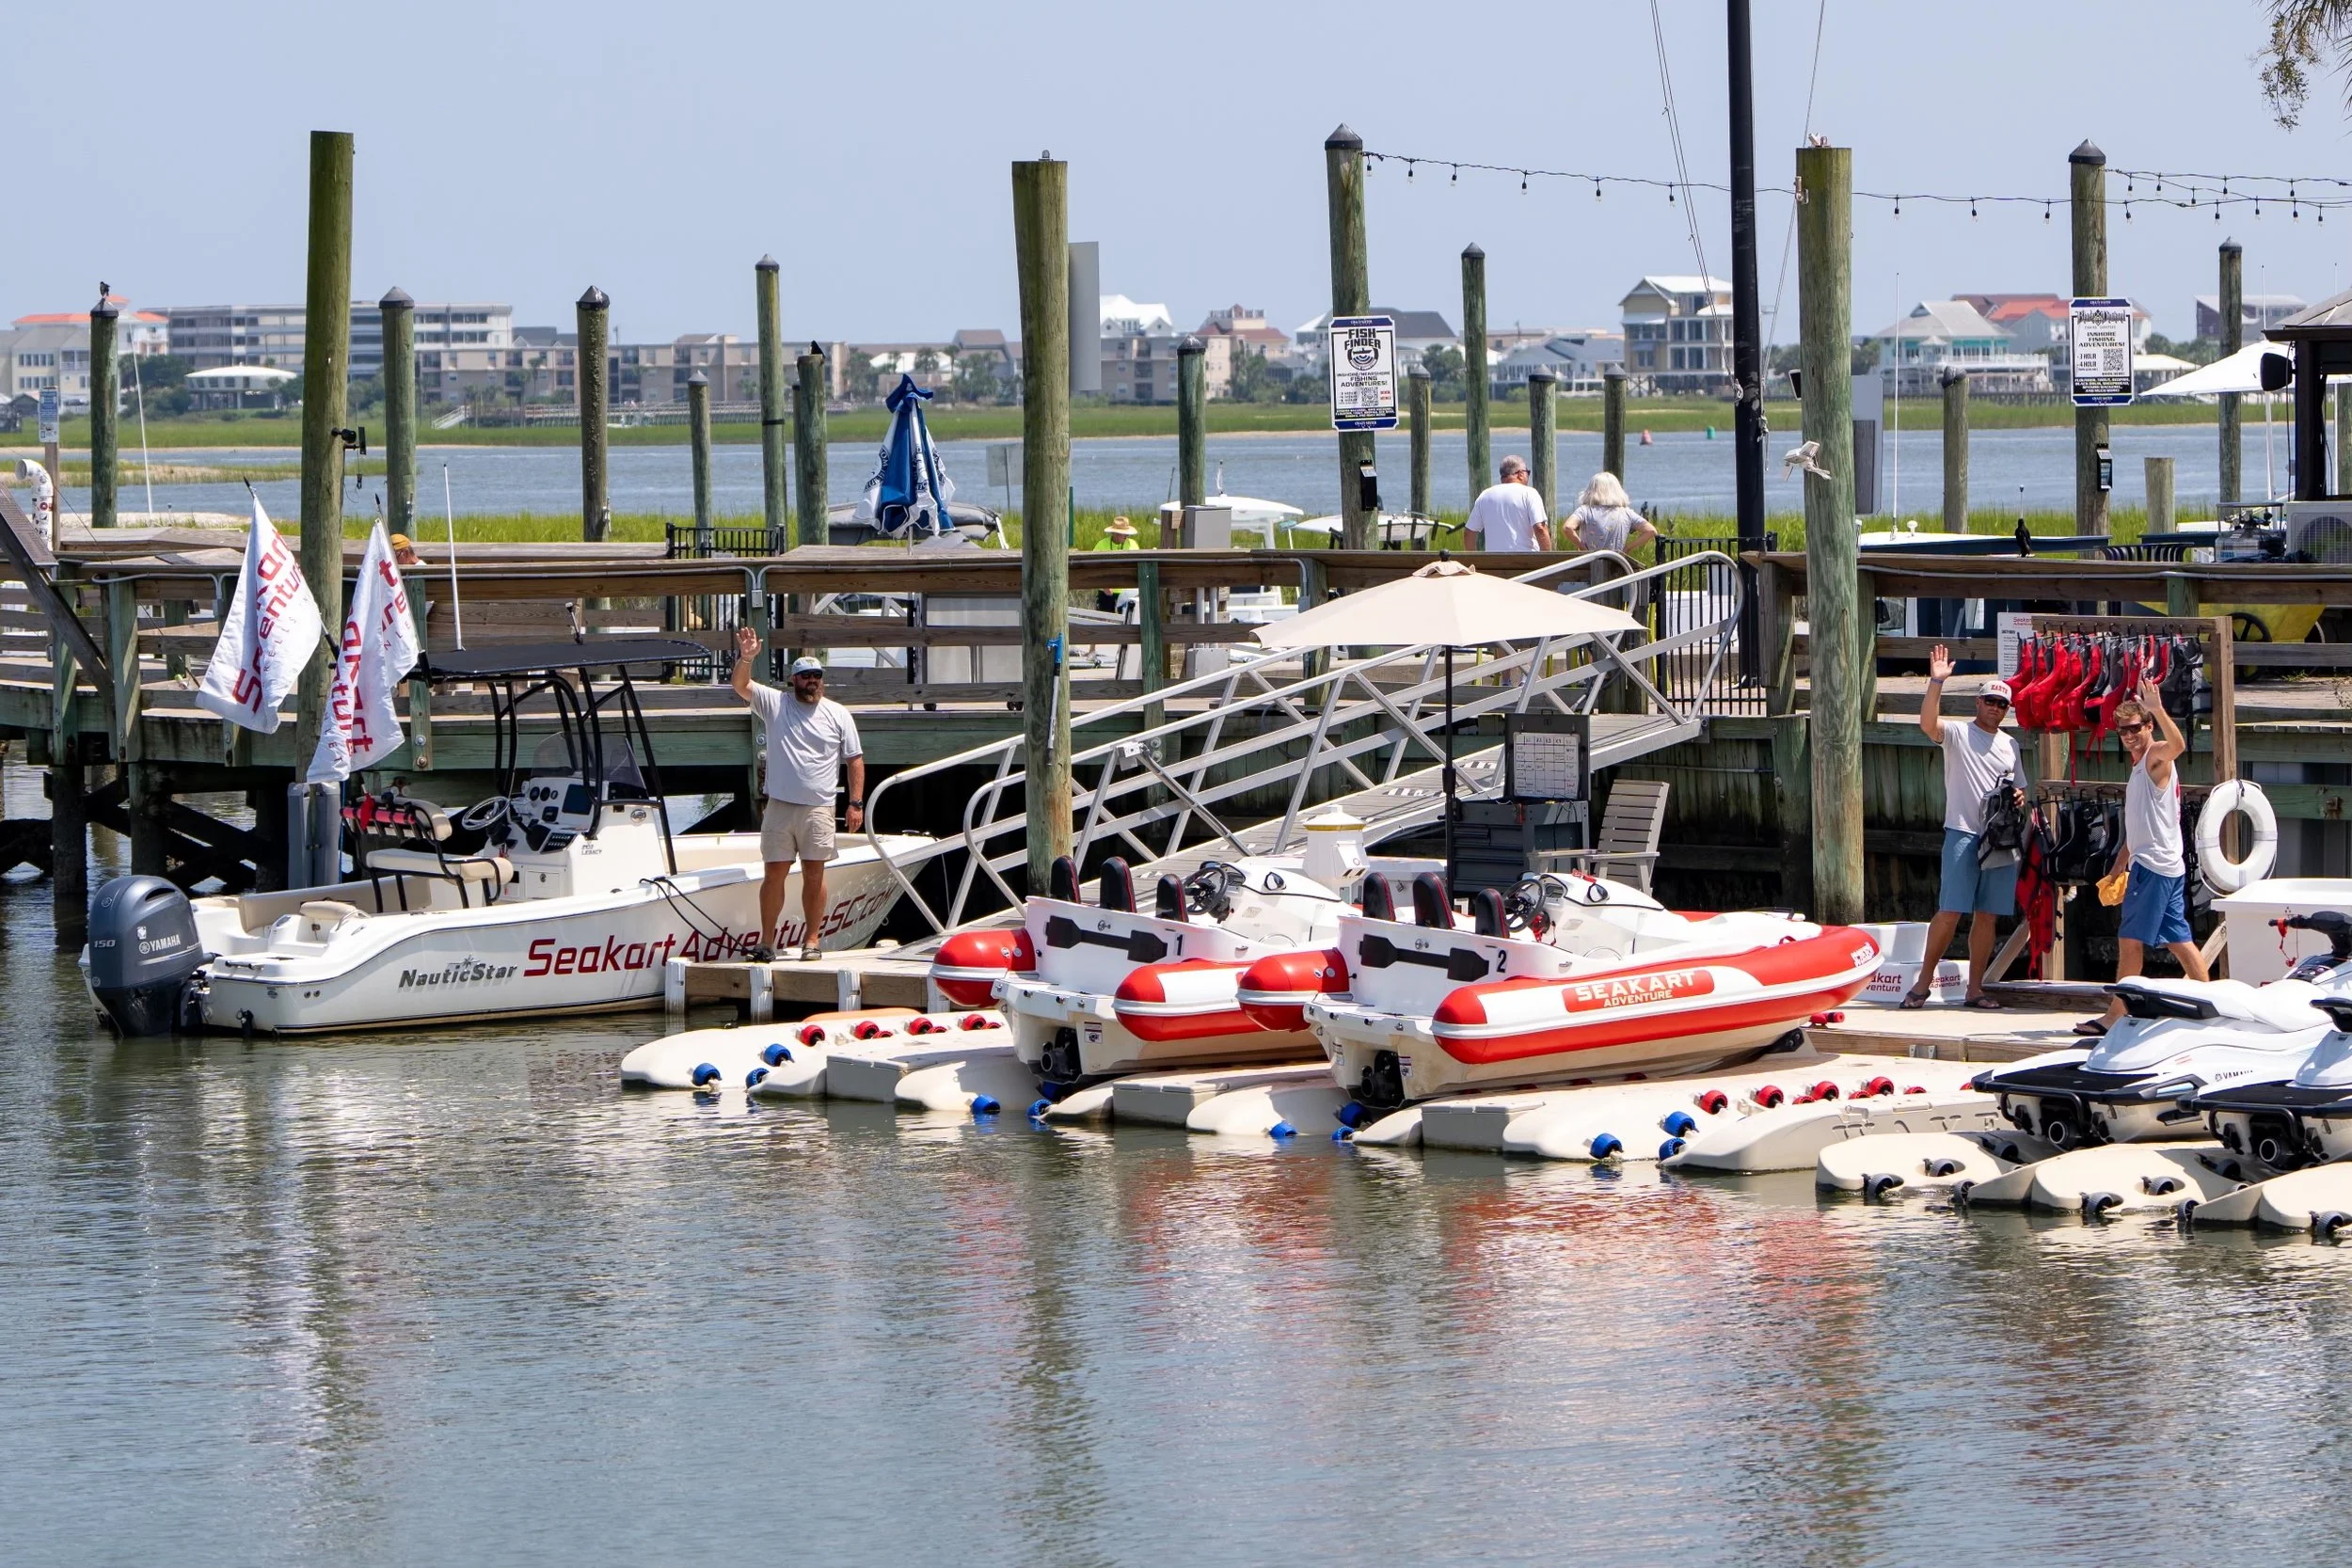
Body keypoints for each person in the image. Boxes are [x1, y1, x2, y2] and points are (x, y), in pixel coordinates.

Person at [1901, 644, 2023, 1010]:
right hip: (1963, 832)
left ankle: (1975, 990)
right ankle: (1922, 985)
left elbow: (2020, 788)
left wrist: (2019, 798)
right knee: (1950, 910)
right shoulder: (1956, 733)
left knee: (1988, 915)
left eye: (2002, 704)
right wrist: (1936, 682)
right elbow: (1928, 724)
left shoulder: (2011, 744)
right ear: (1978, 703)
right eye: (1990, 701)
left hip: (1999, 840)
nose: (1995, 708)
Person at [731, 629, 866, 962]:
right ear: (793, 680)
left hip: (819, 808)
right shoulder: (776, 703)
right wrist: (746, 657)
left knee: (814, 875)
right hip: (779, 806)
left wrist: (855, 803)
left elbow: (854, 759)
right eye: (805, 676)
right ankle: (767, 942)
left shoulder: (838, 713)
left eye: (817, 675)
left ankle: (812, 941)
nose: (812, 681)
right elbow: (741, 686)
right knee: (773, 874)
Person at [2085, 681, 2210, 1036]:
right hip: (2162, 865)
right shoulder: (2139, 766)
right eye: (2122, 731)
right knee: (2179, 940)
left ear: (2148, 726)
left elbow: (2178, 746)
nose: (2128, 736)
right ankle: (2210, 1004)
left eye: (2134, 728)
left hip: (2154, 867)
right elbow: (2139, 824)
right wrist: (2118, 865)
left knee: (2129, 939)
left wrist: (2156, 707)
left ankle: (2116, 1014)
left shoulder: (2155, 755)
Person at [1464, 454, 1550, 551]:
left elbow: (1469, 532)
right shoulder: (1529, 493)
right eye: (1528, 472)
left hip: (1494, 560)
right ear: (1521, 474)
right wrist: (1548, 558)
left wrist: (1473, 559)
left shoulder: (1485, 495)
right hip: (1526, 559)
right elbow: (1540, 529)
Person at [1561, 472, 1657, 556]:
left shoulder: (1584, 510)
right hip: (1616, 563)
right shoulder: (1626, 513)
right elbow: (1651, 531)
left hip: (1589, 564)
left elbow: (1567, 527)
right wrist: (1628, 548)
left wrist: (1582, 548)